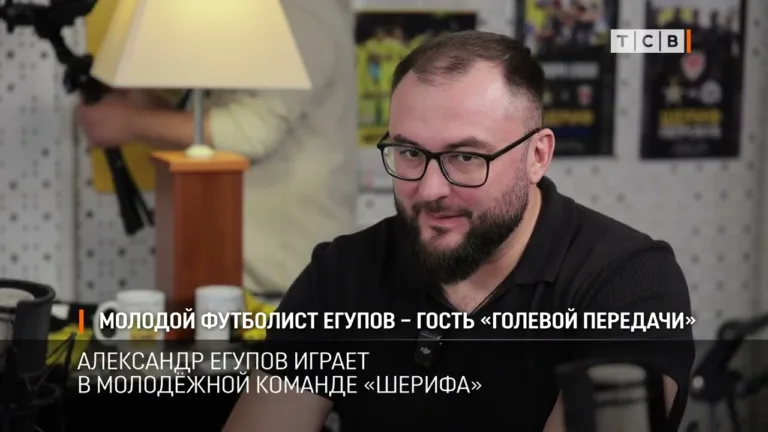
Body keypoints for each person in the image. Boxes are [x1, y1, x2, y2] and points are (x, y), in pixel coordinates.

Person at [223, 31, 694, 431]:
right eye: (410, 153)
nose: (430, 189)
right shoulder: (342, 272)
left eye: (466, 157)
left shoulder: (629, 283)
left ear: (537, 156)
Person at [76, 0, 357, 294]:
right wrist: (142, 107)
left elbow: (253, 130)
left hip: (286, 282)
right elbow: (213, 127)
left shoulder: (304, 12)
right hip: (248, 273)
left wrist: (132, 122)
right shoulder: (262, 10)